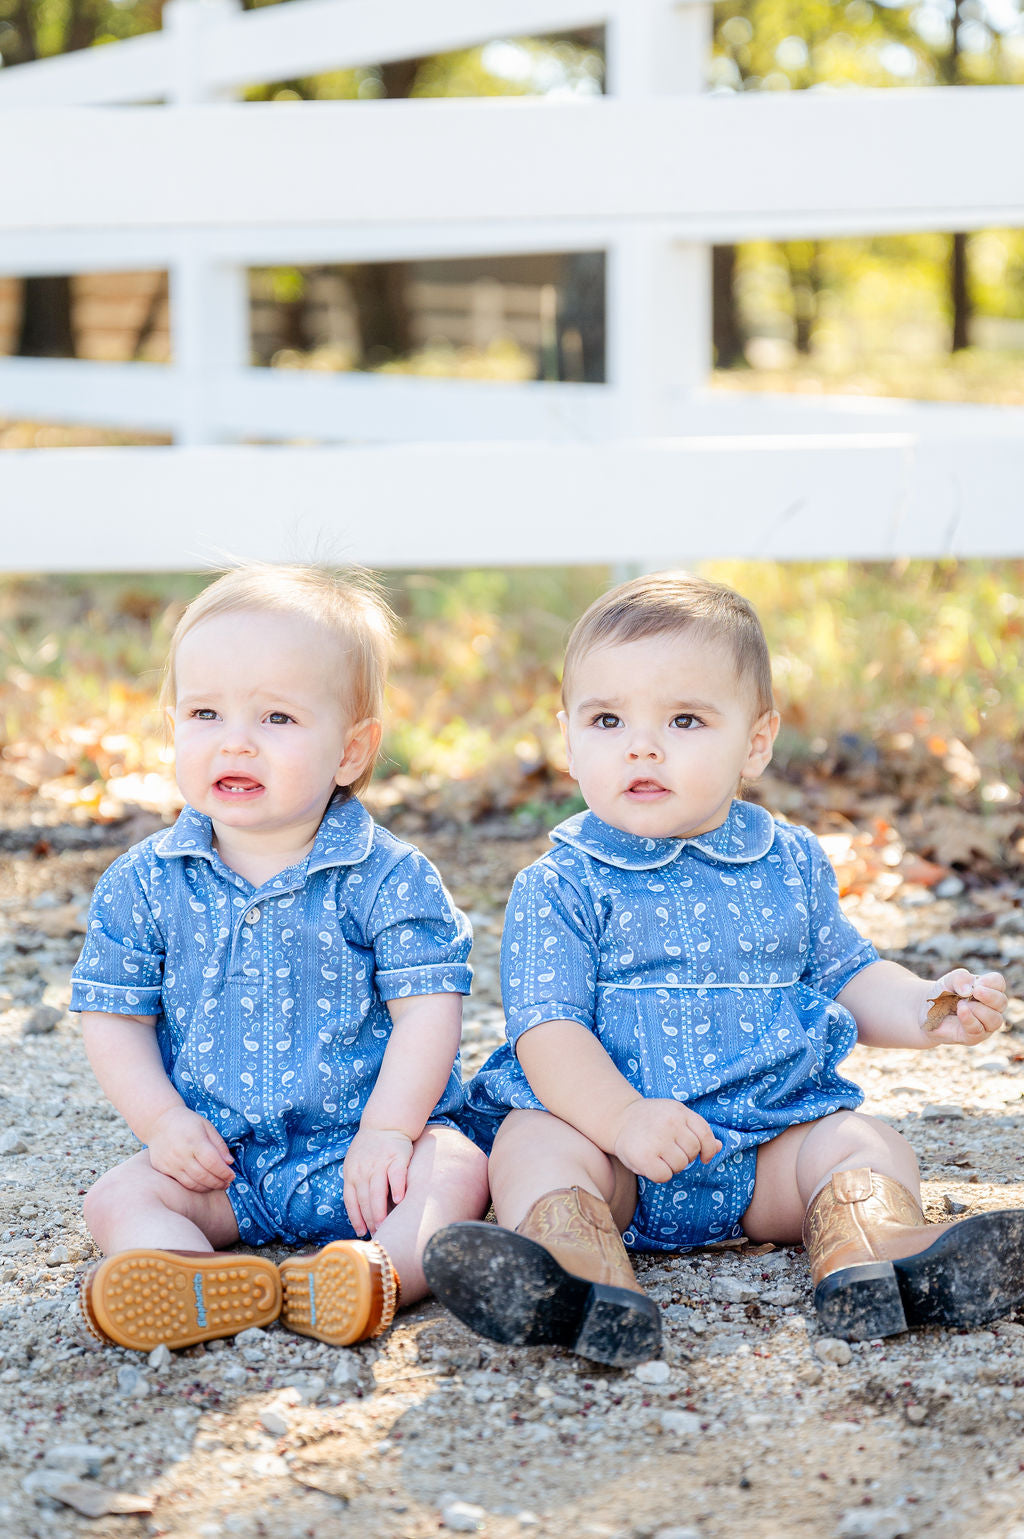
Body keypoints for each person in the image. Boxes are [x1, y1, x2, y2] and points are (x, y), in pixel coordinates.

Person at [424, 570, 1024, 1366]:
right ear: (568, 734)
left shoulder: (789, 862)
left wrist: (925, 1009)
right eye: (608, 718)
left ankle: (874, 1251)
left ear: (758, 740)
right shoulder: (560, 883)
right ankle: (571, 1273)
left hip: (765, 1151)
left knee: (861, 1138)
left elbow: (845, 973)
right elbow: (548, 1030)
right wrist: (624, 1120)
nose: (642, 744)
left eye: (684, 718)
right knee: (532, 1142)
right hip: (611, 1156)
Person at [71, 564, 488, 1353]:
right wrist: (163, 1124)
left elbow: (428, 1007)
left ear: (349, 750)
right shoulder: (146, 882)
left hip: (365, 1156)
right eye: (204, 712)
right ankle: (194, 1278)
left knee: (460, 1165)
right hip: (221, 1164)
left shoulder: (387, 875)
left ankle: (373, 1271)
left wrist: (392, 1129)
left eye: (277, 717)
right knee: (116, 1195)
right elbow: (113, 1014)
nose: (235, 739)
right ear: (174, 728)